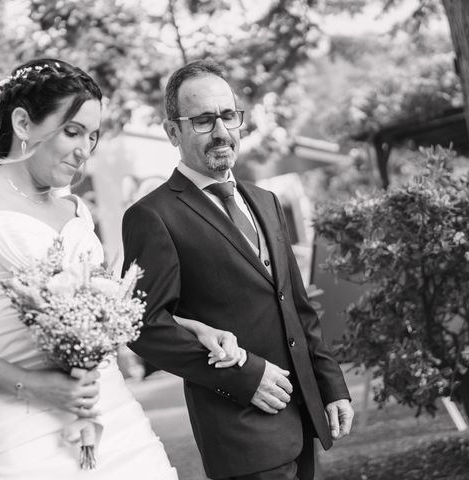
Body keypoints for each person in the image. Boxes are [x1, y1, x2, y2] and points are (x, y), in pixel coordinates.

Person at [0, 58, 242, 480]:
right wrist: (36, 386)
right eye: (72, 131)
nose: (85, 149)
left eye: (93, 136)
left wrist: (188, 326)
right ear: (24, 123)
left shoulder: (76, 209)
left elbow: (103, 312)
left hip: (113, 419)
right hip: (18, 429)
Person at [122, 59, 354, 480]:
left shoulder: (265, 200)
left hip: (303, 419)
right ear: (172, 131)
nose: (221, 132)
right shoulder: (152, 216)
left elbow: (296, 306)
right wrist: (246, 376)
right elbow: (142, 326)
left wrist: (330, 385)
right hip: (240, 432)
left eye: (228, 116)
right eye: (204, 120)